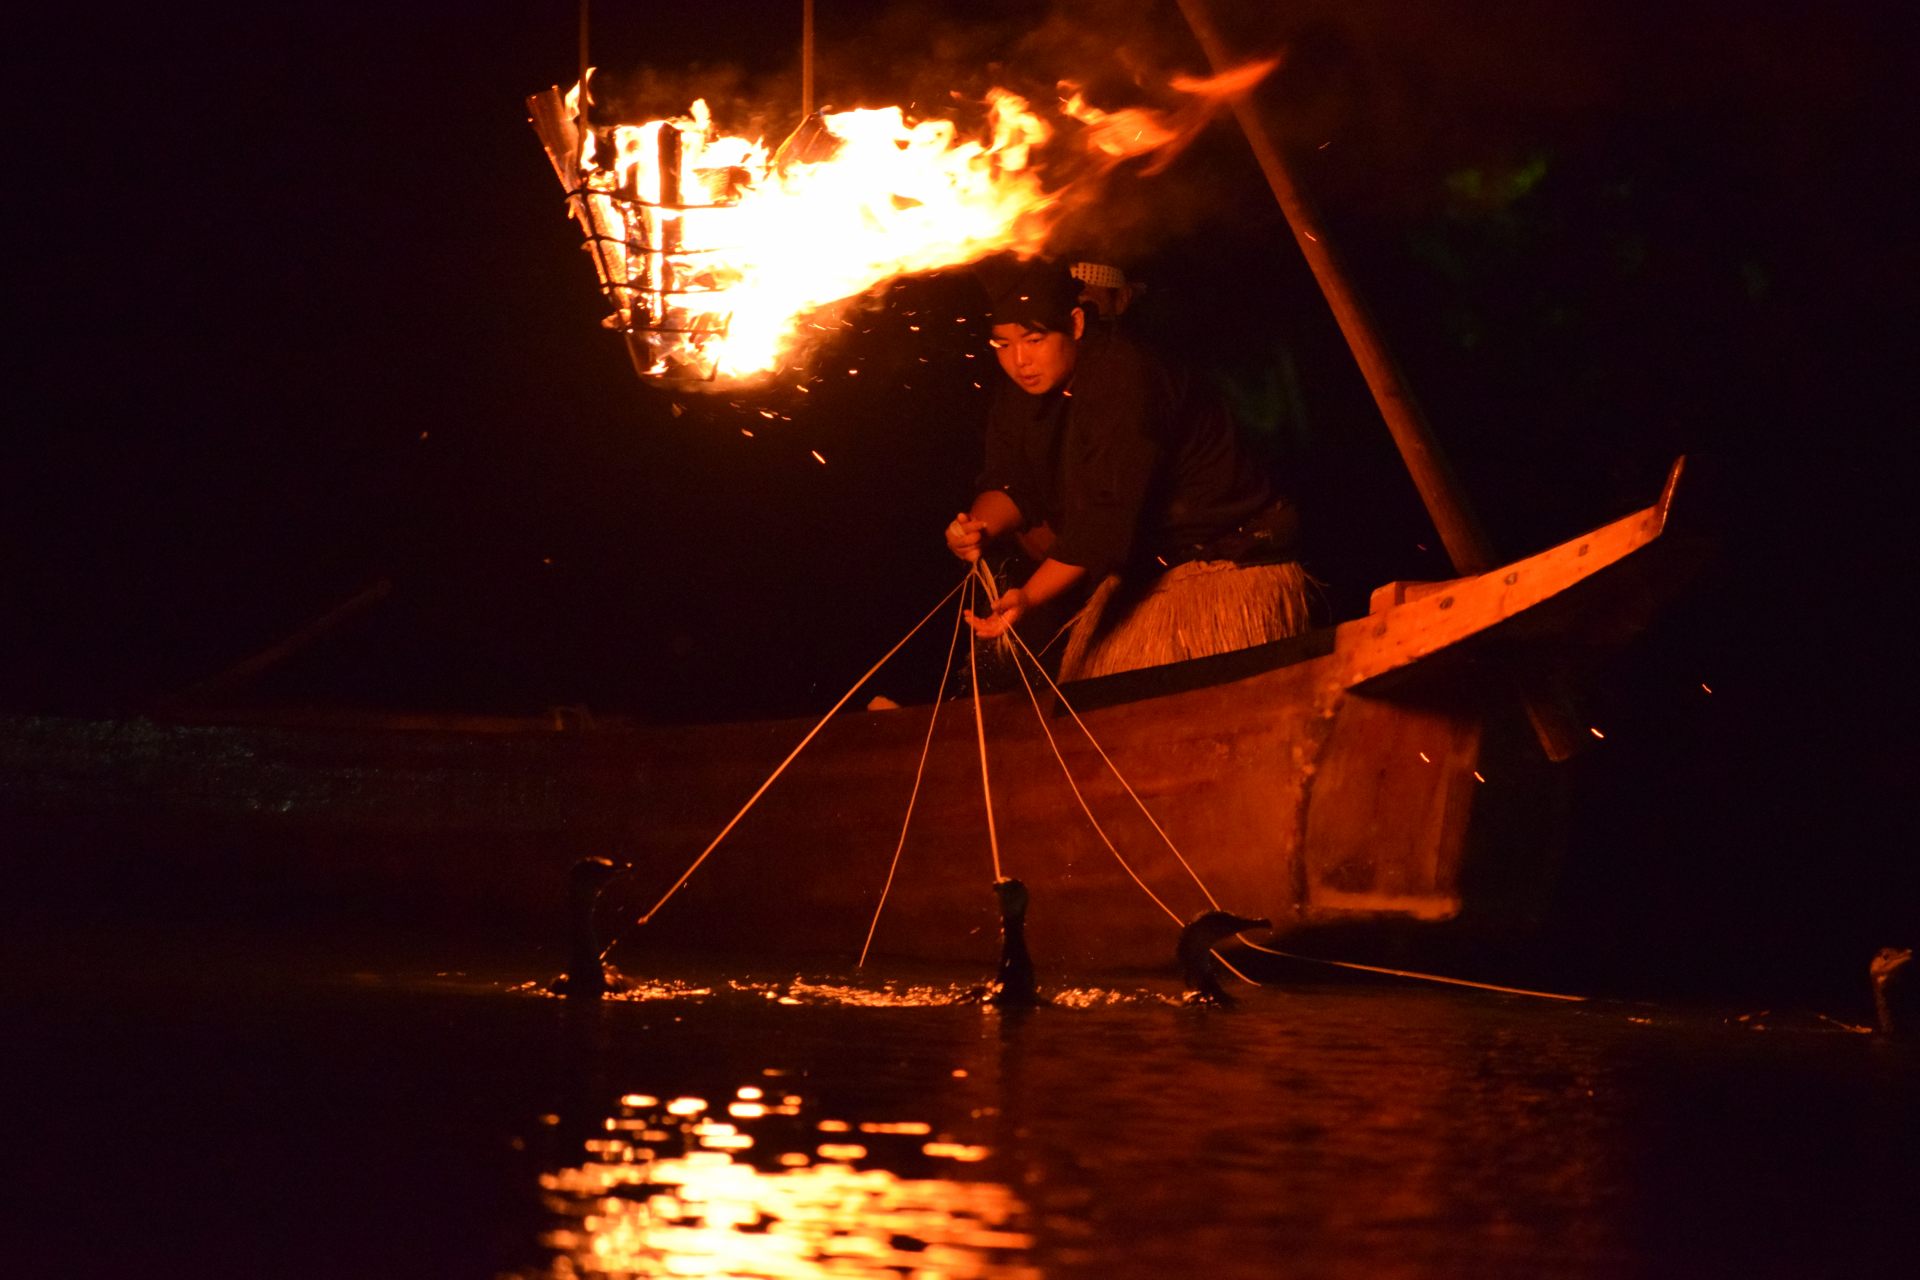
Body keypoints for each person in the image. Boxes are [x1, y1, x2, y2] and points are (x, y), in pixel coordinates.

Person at [944, 256, 1310, 681]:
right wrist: (976, 529)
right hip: (1138, 574)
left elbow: (1106, 514)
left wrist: (1027, 596)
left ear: (1076, 324)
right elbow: (1010, 482)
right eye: (1002, 346)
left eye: (1033, 340)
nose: (1019, 361)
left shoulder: (1126, 374)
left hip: (1223, 562)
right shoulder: (1018, 394)